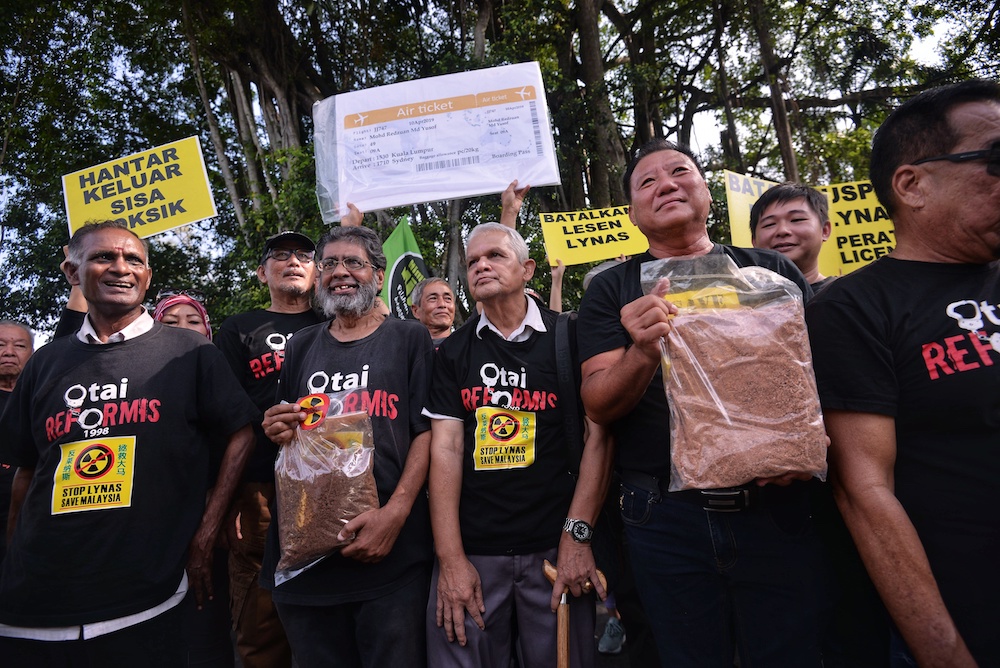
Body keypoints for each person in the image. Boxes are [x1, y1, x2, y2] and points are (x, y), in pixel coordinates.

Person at [577, 139, 824, 667]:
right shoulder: (610, 288)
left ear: (706, 191)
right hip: (664, 517)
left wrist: (800, 447)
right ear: (632, 214)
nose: (666, 184)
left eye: (679, 172)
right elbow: (598, 404)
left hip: (779, 507)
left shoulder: (771, 273)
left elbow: (814, 382)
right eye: (648, 182)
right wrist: (643, 350)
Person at [806, 79, 1000, 667]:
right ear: (912, 184)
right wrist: (944, 652)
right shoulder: (853, 308)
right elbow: (864, 490)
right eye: (995, 159)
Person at [0, 220, 256, 666]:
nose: (121, 268)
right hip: (36, 602)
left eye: (133, 259)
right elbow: (26, 469)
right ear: (72, 272)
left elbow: (242, 431)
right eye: (103, 257)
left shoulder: (189, 352)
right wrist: (12, 559)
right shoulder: (45, 362)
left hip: (148, 595)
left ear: (148, 276)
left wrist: (205, 531)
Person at [425, 222, 609, 668]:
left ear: (527, 269)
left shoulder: (571, 334)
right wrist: (450, 560)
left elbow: (599, 439)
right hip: (475, 555)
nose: (481, 266)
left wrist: (577, 538)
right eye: (472, 262)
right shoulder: (453, 352)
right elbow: (445, 451)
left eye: (495, 256)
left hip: (555, 549)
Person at [260, 226, 434, 668]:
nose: (340, 272)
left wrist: (395, 515)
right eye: (330, 263)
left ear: (377, 275)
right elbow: (290, 436)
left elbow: (426, 434)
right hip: (306, 557)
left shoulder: (409, 338)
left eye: (353, 262)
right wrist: (278, 427)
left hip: (389, 555)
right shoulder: (300, 347)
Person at [214, 230, 322, 668]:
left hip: (327, 485)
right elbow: (224, 421)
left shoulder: (335, 324)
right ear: (263, 273)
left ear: (317, 273)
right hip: (260, 487)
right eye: (281, 256)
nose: (293, 261)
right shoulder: (239, 328)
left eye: (304, 256)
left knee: (325, 612)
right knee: (261, 619)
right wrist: (225, 501)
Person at [750, 182, 835, 291]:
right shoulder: (739, 301)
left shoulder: (847, 297)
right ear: (754, 241)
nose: (782, 230)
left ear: (824, 230)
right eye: (769, 224)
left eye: (797, 219)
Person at [0, 320, 34, 562]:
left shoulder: (43, 400)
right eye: (0, 345)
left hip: (29, 520)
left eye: (19, 345)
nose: (8, 352)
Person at [410, 277, 456, 345]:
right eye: (433, 299)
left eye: (447, 299)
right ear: (416, 311)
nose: (442, 304)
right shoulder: (405, 352)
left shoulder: (468, 348)